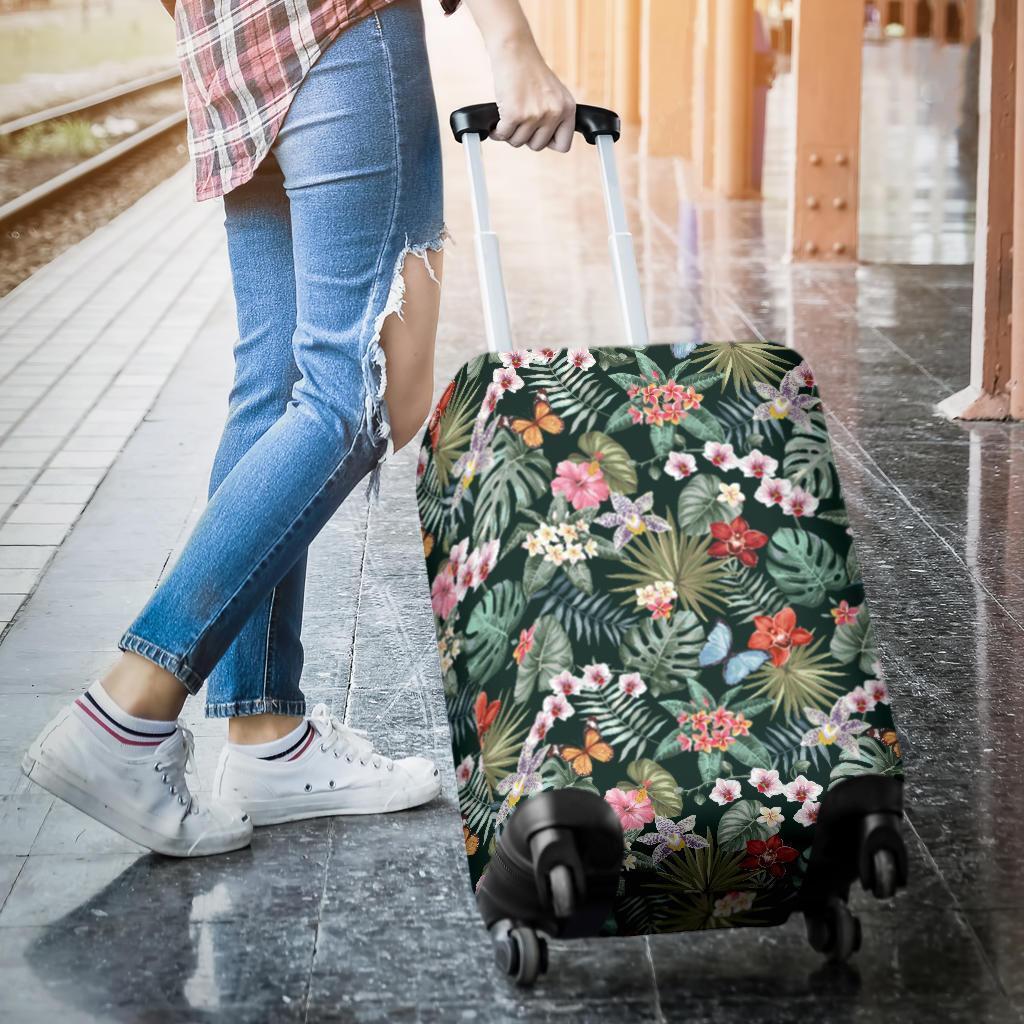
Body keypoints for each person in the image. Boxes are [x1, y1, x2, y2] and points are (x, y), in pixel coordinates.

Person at [22, 0, 576, 857]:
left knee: (277, 384)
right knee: (360, 392)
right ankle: (128, 708)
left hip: (227, 49)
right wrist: (512, 42)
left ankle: (266, 735)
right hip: (342, 28)